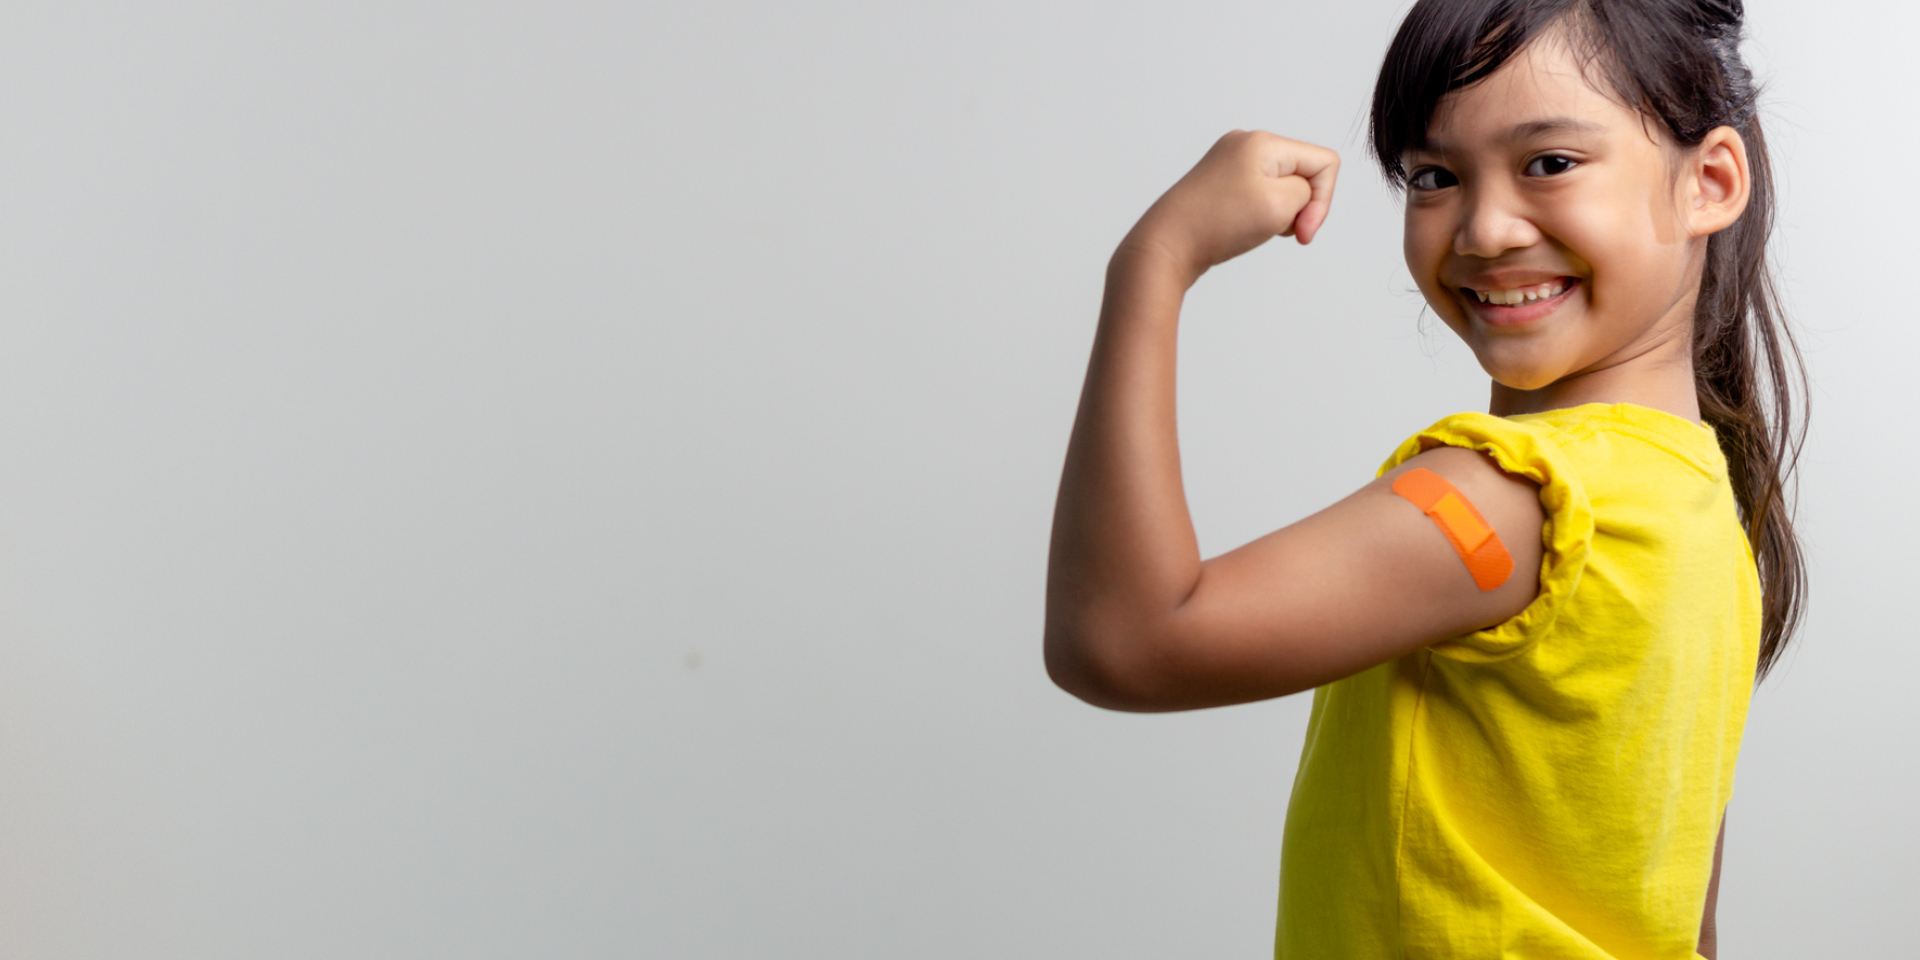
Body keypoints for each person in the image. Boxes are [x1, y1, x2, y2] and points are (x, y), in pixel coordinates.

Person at [1042, 0, 1806, 956]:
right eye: (1434, 176)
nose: (1484, 229)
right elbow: (1684, 915)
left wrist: (1153, 263)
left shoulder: (1518, 500)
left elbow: (1121, 642)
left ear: (1710, 181)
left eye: (1550, 163)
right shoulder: (1699, 505)